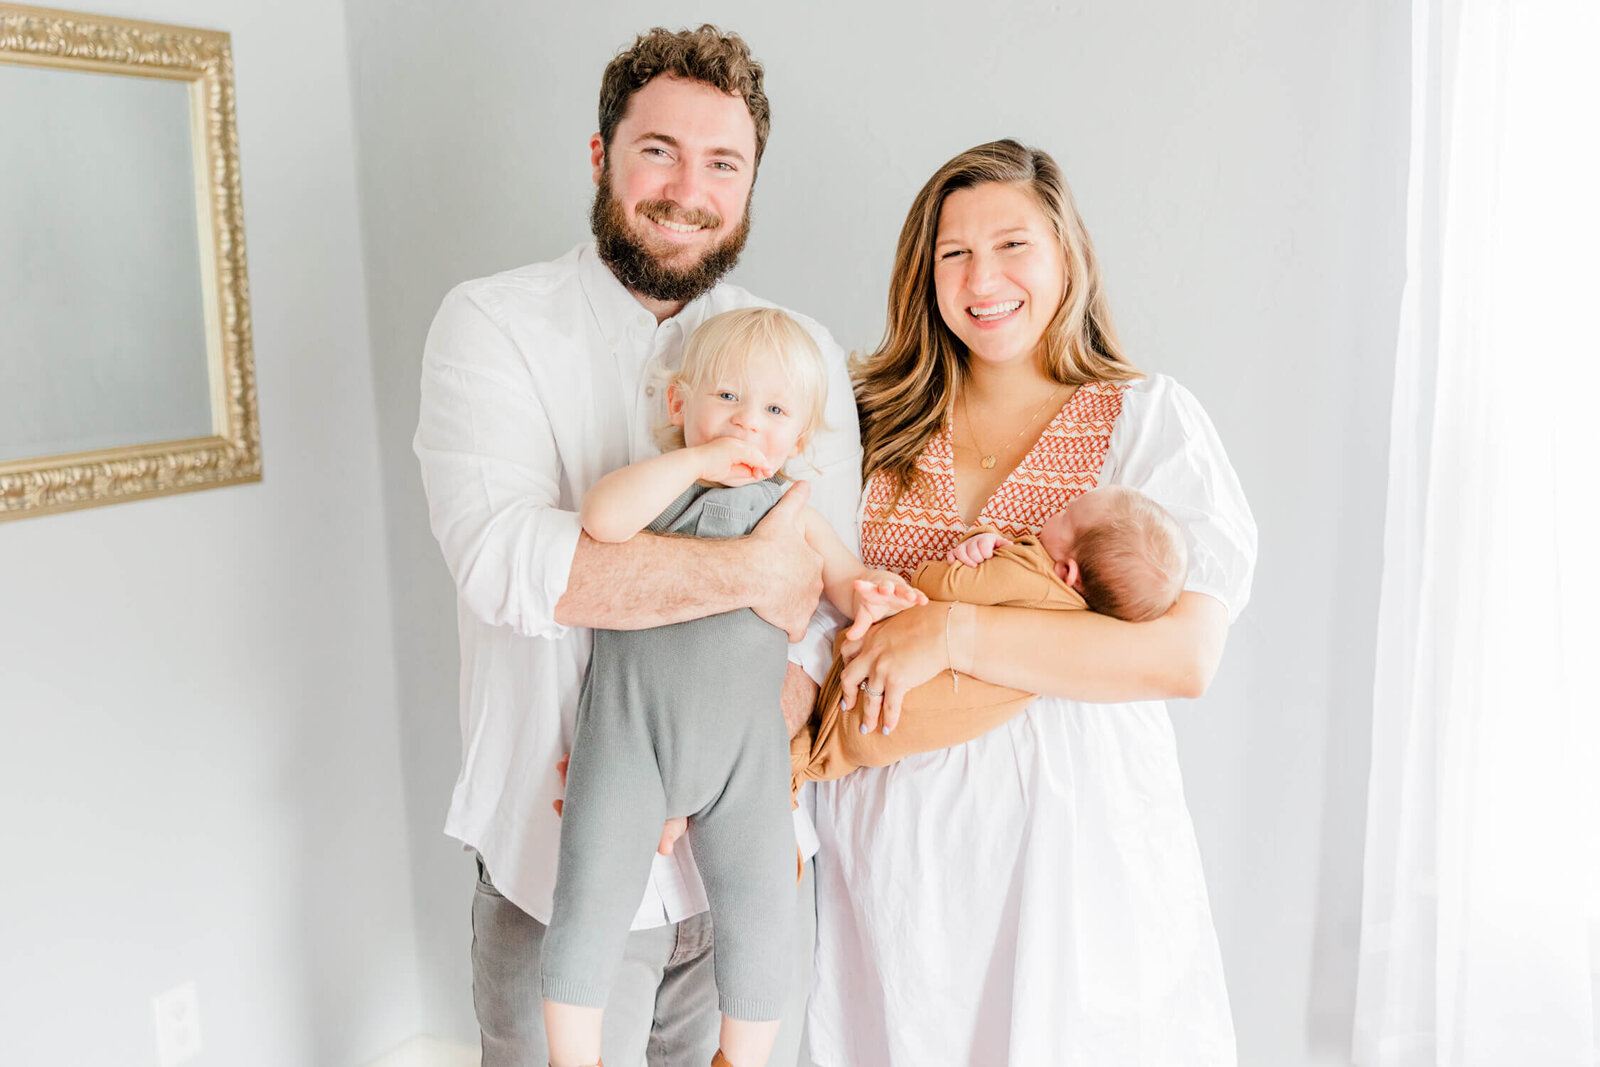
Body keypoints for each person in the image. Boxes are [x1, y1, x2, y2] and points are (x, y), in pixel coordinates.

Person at [413, 27, 862, 1067]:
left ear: (750, 183)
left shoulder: (801, 352)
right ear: (601, 154)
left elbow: (823, 609)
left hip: (739, 866)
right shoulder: (490, 324)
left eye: (722, 163)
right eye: (657, 149)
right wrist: (753, 575)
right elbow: (511, 563)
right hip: (554, 847)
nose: (686, 189)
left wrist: (711, 755)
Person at [807, 139, 1257, 1066]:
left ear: (1065, 257)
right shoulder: (865, 423)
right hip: (895, 851)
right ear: (922, 274)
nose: (984, 278)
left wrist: (955, 630)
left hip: (1076, 855)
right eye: (954, 253)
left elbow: (1184, 657)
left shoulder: (1143, 418)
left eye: (1014, 245)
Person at [542, 308, 919, 1067]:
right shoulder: (657, 490)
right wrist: (692, 462)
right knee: (588, 898)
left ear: (800, 439)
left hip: (746, 759)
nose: (748, 425)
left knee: (766, 904)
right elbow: (602, 520)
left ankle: (740, 1056)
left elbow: (844, 581)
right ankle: (572, 1056)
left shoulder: (793, 509)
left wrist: (871, 595)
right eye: (727, 400)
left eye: (775, 411)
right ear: (679, 405)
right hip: (628, 738)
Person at [790, 484, 1188, 791]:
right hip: (871, 742)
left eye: (1065, 516)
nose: (1053, 513)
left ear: (1068, 572)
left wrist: (970, 551)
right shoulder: (1067, 633)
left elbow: (938, 585)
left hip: (861, 692)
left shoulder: (1031, 572)